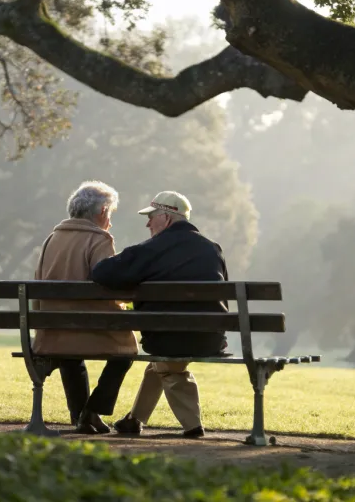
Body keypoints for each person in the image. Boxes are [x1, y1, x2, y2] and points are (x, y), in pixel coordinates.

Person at [90, 191, 228, 438]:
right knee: (160, 364)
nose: (148, 223)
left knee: (169, 366)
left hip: (167, 338)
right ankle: (133, 420)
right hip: (211, 338)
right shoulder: (212, 249)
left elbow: (102, 272)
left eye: (152, 216)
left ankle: (193, 426)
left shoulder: (152, 250)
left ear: (166, 217)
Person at [33, 181, 137, 434]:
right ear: (102, 211)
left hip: (53, 330)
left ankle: (80, 415)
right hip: (90, 327)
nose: (110, 222)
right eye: (109, 214)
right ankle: (91, 411)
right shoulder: (99, 239)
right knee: (126, 352)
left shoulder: (52, 238)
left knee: (71, 356)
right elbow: (107, 285)